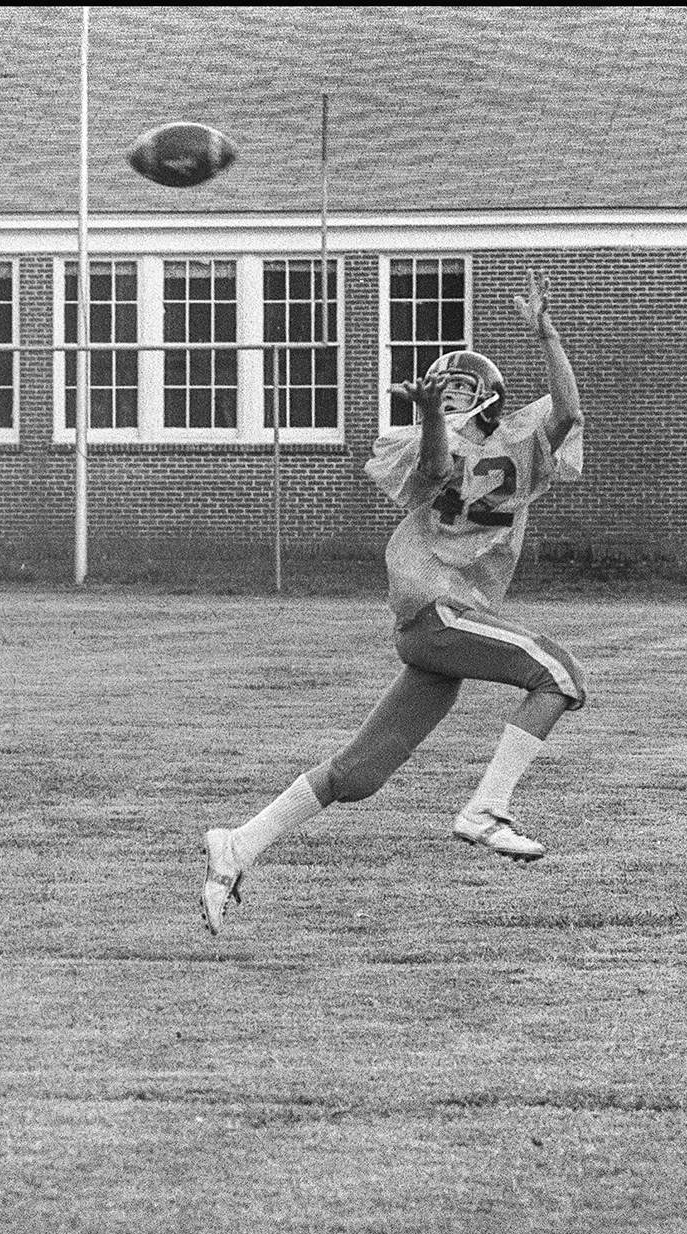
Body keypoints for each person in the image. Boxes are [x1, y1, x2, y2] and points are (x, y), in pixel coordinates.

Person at [201, 269, 586, 935]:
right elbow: (437, 469)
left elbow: (570, 411)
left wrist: (547, 334)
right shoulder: (422, 441)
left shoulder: (519, 439)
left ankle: (237, 844)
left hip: (449, 625)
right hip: (435, 608)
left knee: (359, 772)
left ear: (492, 397)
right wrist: (436, 415)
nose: (454, 395)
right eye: (445, 389)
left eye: (465, 388)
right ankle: (486, 810)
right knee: (558, 675)